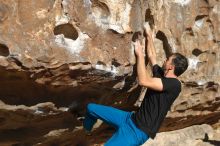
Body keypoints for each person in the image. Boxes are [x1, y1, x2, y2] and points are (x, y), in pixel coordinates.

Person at [83, 23, 188, 146]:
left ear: (171, 66)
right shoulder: (161, 75)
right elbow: (152, 56)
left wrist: (139, 56)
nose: (165, 60)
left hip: (137, 132)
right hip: (129, 118)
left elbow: (143, 81)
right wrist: (148, 35)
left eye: (168, 59)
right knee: (91, 108)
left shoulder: (175, 85)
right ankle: (87, 130)